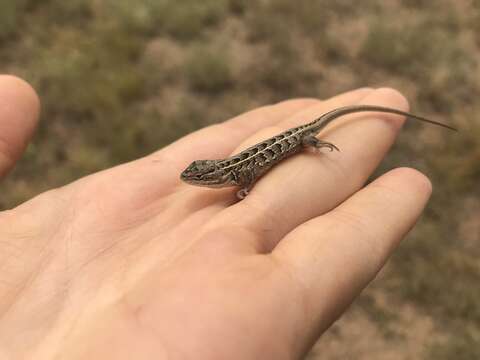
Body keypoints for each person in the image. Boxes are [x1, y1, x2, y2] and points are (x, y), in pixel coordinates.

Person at [0, 75, 432, 359]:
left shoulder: (235, 172)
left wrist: (310, 144)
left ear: (212, 177)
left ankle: (318, 141)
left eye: (198, 178)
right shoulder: (226, 171)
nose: (194, 181)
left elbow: (250, 177)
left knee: (305, 141)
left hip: (300, 138)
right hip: (285, 141)